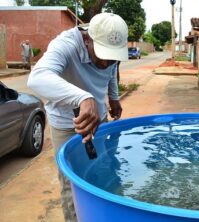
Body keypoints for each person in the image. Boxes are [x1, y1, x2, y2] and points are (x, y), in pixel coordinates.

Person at [27, 13, 128, 222]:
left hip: (99, 120)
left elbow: (111, 72)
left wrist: (114, 97)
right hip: (66, 124)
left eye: (113, 56)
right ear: (87, 39)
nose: (106, 61)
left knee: (104, 167)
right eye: (102, 54)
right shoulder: (66, 45)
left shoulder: (109, 59)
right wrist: (83, 97)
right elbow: (37, 78)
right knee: (72, 182)